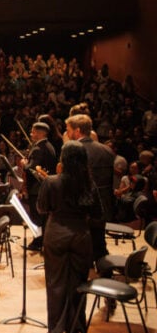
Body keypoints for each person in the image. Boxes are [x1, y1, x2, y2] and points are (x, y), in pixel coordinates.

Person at [37, 140, 100, 333]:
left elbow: (41, 208)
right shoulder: (89, 184)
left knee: (55, 282)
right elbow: (98, 214)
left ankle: (56, 328)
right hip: (81, 235)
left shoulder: (52, 181)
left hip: (56, 233)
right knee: (78, 282)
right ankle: (76, 327)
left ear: (63, 159)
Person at [65, 108, 115, 261]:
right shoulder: (107, 150)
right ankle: (104, 269)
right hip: (104, 203)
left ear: (77, 131)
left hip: (83, 205)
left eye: (69, 130)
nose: (67, 134)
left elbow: (71, 181)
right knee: (99, 240)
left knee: (81, 245)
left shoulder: (74, 151)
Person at [21, 121, 58, 250]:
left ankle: (37, 242)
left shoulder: (38, 148)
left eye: (33, 131)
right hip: (44, 187)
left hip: (37, 188)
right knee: (42, 217)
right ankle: (41, 241)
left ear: (40, 133)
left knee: (37, 217)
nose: (31, 133)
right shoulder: (50, 146)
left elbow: (31, 169)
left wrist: (24, 163)